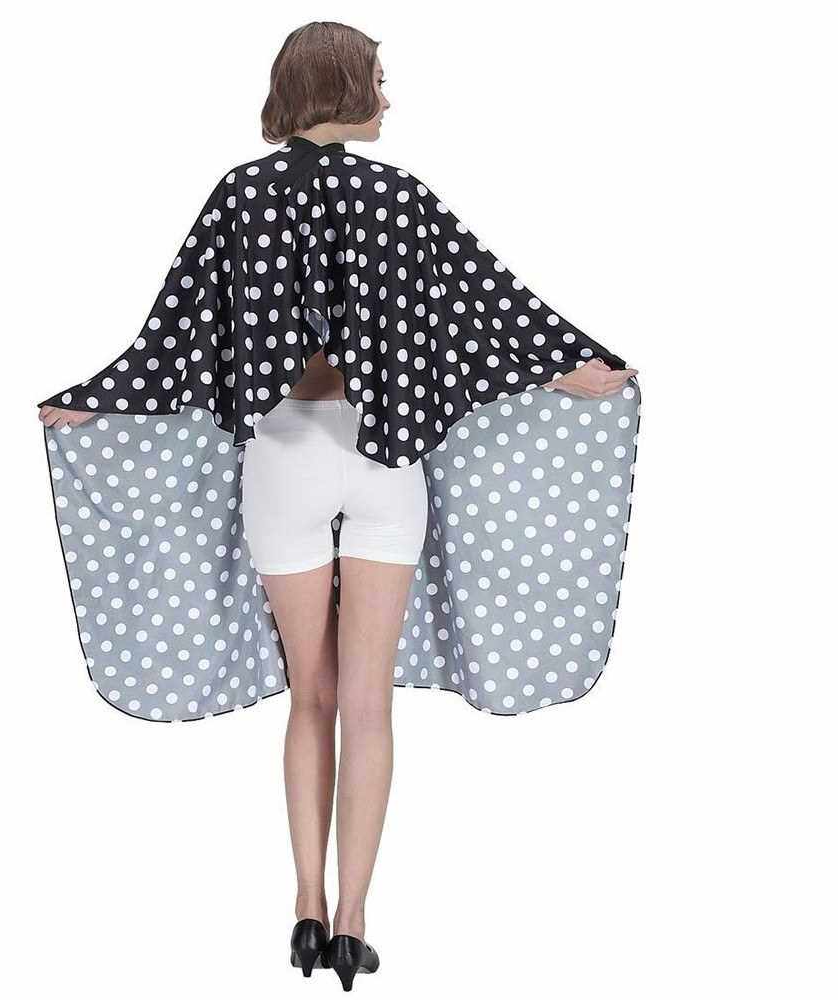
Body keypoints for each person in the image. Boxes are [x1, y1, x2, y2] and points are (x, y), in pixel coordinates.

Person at [37, 20, 639, 990]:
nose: (388, 99)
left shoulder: (241, 195)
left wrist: (95, 399)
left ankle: (307, 907)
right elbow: (486, 304)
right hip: (383, 463)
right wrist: (572, 365)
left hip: (284, 459)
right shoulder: (397, 197)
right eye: (378, 80)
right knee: (367, 701)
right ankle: (356, 919)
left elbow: (178, 333)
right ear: (346, 86)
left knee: (310, 698)